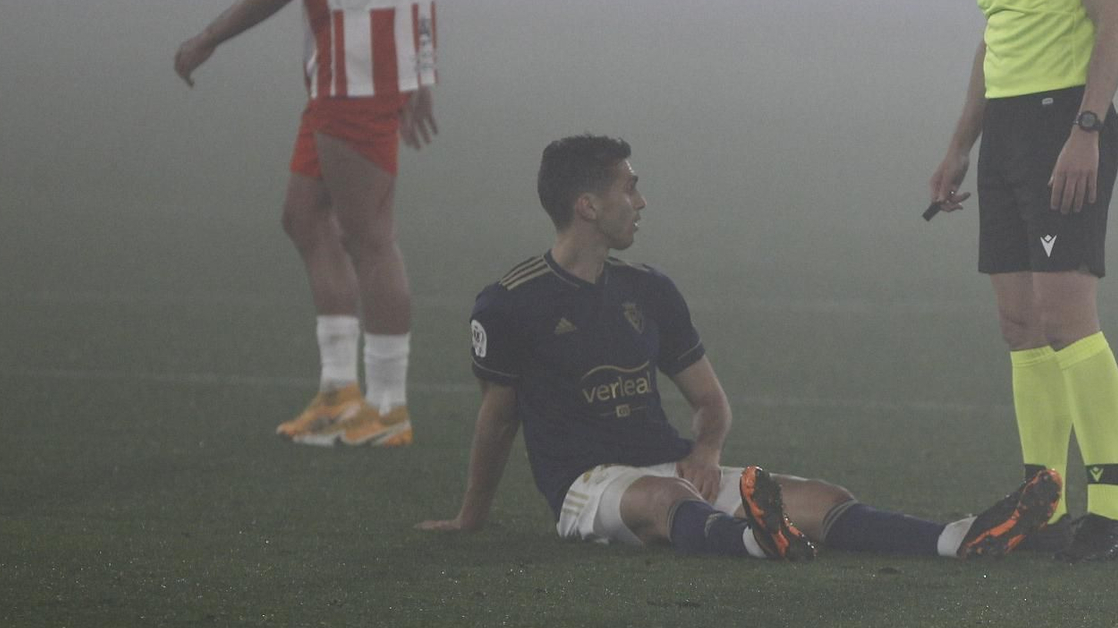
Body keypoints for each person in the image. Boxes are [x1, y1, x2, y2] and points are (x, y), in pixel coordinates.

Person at [418, 134, 1063, 561]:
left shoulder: (650, 290)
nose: (641, 201)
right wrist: (470, 516)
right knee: (664, 503)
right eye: (629, 187)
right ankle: (760, 542)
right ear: (587, 206)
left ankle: (958, 539)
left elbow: (710, 401)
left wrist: (705, 450)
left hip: (669, 465)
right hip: (586, 487)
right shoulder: (509, 303)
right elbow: (497, 421)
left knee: (822, 498)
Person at [173, 0, 438, 447]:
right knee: (302, 215)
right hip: (360, 66)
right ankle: (338, 392)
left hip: (355, 70)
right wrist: (422, 65)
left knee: (370, 238)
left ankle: (387, 410)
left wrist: (210, 37)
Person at [921, 0, 1118, 562]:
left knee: (1064, 318)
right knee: (1019, 325)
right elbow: (995, 40)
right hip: (1008, 132)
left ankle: (1108, 512)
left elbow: (1114, 25)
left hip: (1062, 125)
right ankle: (1043, 500)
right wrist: (957, 148)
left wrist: (1086, 128)